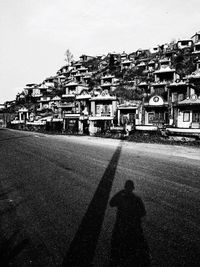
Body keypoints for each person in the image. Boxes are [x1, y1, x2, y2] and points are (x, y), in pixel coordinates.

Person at [109, 180, 151, 267]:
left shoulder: (121, 197)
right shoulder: (137, 199)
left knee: (117, 251)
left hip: (121, 229)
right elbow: (143, 212)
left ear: (125, 188)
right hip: (133, 230)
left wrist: (120, 192)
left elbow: (111, 203)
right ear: (133, 188)